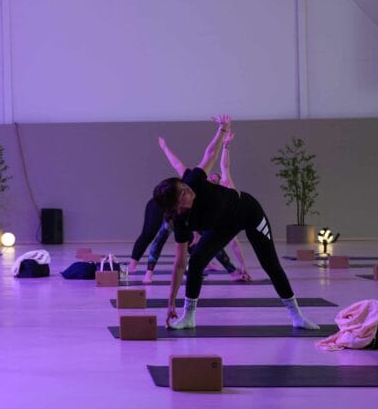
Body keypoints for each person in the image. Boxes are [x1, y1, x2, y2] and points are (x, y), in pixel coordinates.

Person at [152, 115, 318, 331]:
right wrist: (170, 302)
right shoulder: (180, 221)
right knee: (196, 262)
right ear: (176, 205)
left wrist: (223, 129)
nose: (188, 190)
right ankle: (188, 317)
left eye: (185, 187)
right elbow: (179, 264)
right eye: (182, 193)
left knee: (270, 264)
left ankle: (297, 316)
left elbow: (210, 154)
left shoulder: (194, 181)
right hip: (223, 226)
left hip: (248, 212)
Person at [127, 136, 250, 284]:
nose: (212, 179)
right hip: (175, 216)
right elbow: (178, 164)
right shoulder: (194, 181)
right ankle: (148, 273)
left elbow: (232, 242)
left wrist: (243, 266)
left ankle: (230, 271)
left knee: (210, 241)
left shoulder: (212, 200)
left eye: (215, 180)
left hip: (190, 220)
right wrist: (165, 148)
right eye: (211, 177)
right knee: (161, 237)